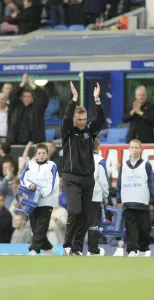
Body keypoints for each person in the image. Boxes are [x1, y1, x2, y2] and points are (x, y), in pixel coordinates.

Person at [62, 81, 105, 256]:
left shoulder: (90, 131)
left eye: (84, 119)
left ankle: (77, 248)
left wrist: (97, 101)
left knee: (85, 215)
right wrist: (74, 99)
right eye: (78, 119)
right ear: (74, 119)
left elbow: (101, 119)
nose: (81, 122)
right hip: (71, 177)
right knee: (75, 210)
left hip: (88, 178)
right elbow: (65, 118)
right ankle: (67, 245)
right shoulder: (68, 132)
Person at [116, 139, 154, 257]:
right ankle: (132, 250)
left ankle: (143, 249)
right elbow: (119, 183)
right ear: (129, 149)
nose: (134, 150)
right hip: (128, 202)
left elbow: (151, 182)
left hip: (143, 202)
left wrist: (152, 200)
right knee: (130, 227)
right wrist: (119, 199)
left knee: (145, 229)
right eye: (132, 147)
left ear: (141, 149)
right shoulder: (123, 165)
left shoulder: (146, 165)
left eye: (136, 147)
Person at [20, 143, 59, 255]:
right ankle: (49, 248)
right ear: (35, 155)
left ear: (47, 154)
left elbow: (54, 183)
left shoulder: (52, 165)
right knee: (35, 228)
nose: (41, 155)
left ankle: (34, 250)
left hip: (47, 200)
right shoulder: (30, 165)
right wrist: (29, 186)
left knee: (41, 226)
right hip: (32, 201)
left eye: (44, 153)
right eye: (39, 153)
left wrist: (42, 191)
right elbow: (23, 178)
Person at [87, 138, 109, 256]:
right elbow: (103, 181)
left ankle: (76, 248)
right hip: (95, 196)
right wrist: (106, 195)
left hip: (81, 196)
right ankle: (93, 249)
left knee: (80, 223)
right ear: (98, 146)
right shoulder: (100, 160)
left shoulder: (80, 158)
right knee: (93, 224)